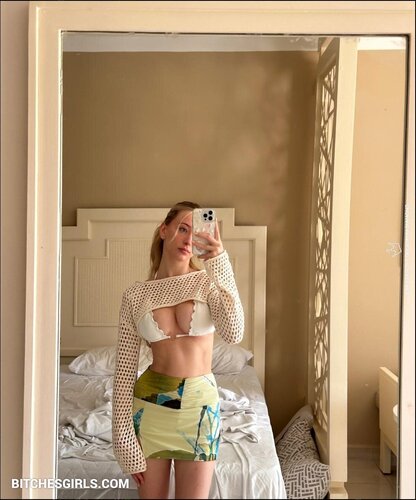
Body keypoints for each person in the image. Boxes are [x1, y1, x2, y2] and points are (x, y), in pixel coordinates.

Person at [112, 201, 244, 499]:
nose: (188, 239)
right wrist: (123, 437)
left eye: (196, 232)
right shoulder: (136, 295)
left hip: (200, 409)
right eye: (182, 229)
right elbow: (124, 371)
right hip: (150, 407)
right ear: (164, 230)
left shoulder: (208, 283)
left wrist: (219, 262)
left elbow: (234, 332)